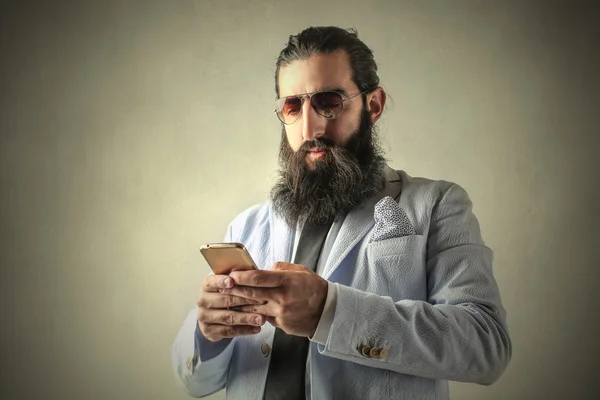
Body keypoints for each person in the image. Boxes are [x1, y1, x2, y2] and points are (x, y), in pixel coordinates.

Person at [172, 26, 512, 400]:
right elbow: (197, 383)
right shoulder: (248, 225)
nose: (310, 127)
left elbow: (486, 346)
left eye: (329, 102)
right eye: (292, 106)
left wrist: (330, 312)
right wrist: (207, 333)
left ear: (374, 105)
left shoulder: (437, 203)